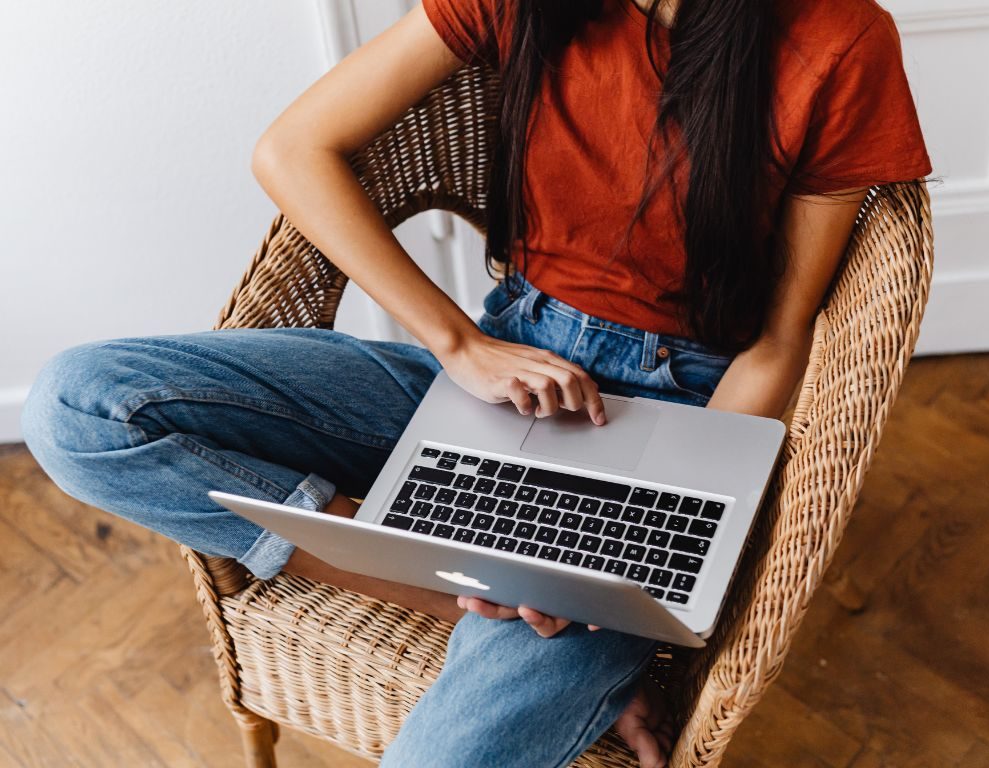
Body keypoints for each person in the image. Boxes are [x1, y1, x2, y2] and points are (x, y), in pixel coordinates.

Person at [21, 0, 932, 765]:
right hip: (495, 367)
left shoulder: (842, 39)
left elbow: (779, 340)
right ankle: (435, 578)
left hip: (679, 408)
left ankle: (551, 609)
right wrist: (458, 343)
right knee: (76, 406)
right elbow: (293, 149)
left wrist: (638, 535)